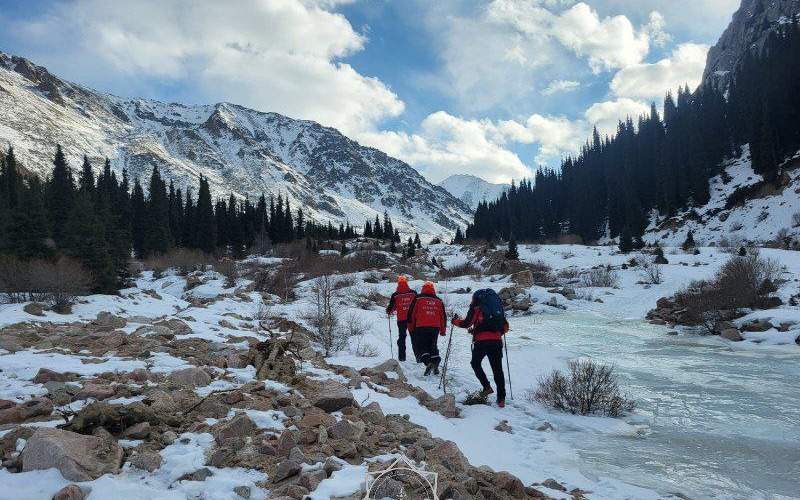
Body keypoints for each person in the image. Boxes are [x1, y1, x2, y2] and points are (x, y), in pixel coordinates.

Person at [452, 291, 509, 407]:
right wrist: (492, 334)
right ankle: (501, 399)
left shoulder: (476, 307)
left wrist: (454, 321)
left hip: (481, 343)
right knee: (497, 369)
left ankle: (487, 387)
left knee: (475, 363)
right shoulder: (496, 308)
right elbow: (505, 327)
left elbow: (466, 323)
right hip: (496, 342)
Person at [406, 281, 447, 376]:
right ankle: (435, 361)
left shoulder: (418, 298)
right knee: (433, 345)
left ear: (423, 288)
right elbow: (443, 317)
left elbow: (411, 315)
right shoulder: (439, 301)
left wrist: (411, 328)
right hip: (435, 327)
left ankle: (428, 362)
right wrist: (443, 330)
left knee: (422, 346)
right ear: (433, 289)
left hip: (421, 326)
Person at [386, 275, 417, 361]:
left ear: (398, 283)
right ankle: (418, 358)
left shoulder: (395, 295)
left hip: (401, 320)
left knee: (402, 337)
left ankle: (402, 357)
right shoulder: (413, 293)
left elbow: (391, 308)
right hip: (412, 319)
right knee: (414, 337)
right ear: (406, 283)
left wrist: (388, 311)